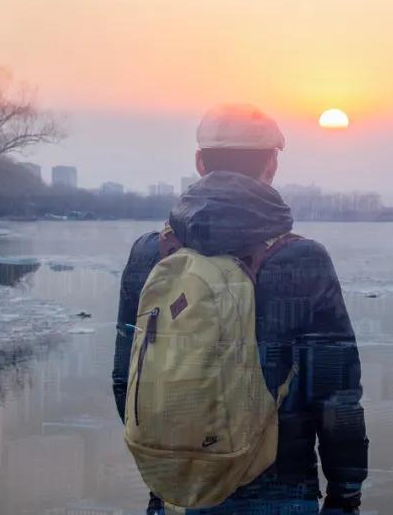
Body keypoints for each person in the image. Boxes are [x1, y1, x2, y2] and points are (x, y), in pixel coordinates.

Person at [112, 104, 368, 515]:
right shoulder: (302, 260)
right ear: (272, 165)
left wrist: (168, 466)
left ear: (199, 163)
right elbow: (337, 395)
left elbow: (127, 380)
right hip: (281, 486)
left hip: (176, 491)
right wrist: (345, 494)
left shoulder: (149, 255)